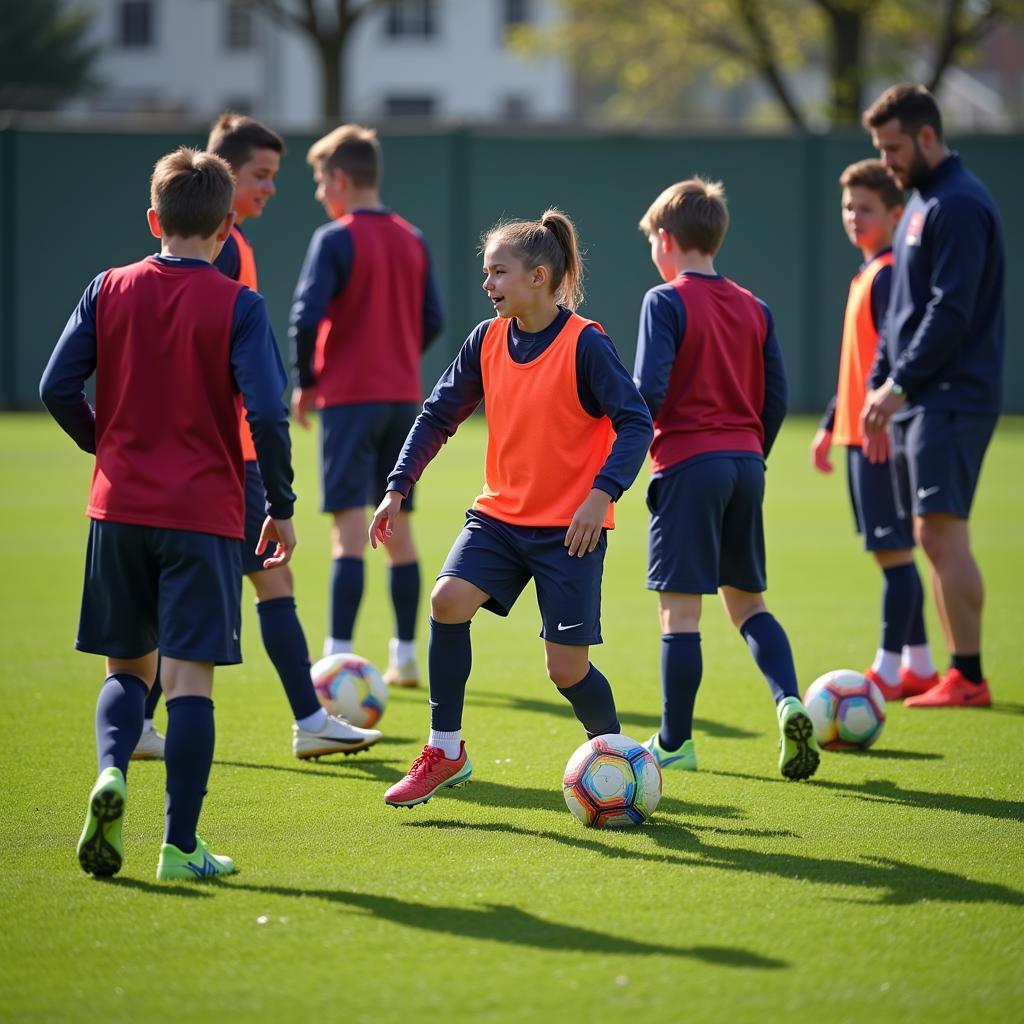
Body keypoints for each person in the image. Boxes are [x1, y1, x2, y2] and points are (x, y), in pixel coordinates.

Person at [40, 147, 296, 880]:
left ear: (154, 219)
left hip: (117, 510)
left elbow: (57, 386)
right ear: (225, 232)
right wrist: (280, 505)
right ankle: (180, 848)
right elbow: (270, 415)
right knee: (189, 682)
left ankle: (113, 769)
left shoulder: (107, 287)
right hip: (205, 514)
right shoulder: (238, 302)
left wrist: (110, 449)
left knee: (128, 669)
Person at [369, 209, 654, 808]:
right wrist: (397, 486)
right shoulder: (488, 338)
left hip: (569, 531)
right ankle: (445, 749)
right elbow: (438, 414)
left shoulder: (586, 343)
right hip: (499, 518)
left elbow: (636, 423)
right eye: (486, 272)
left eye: (498, 272)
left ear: (540, 277)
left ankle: (619, 760)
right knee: (446, 601)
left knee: (566, 670)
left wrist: (600, 495)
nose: (487, 284)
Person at [633, 178, 818, 781]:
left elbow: (651, 391)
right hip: (746, 465)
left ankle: (674, 742)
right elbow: (779, 398)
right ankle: (789, 700)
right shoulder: (755, 307)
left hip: (689, 466)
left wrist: (620, 434)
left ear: (665, 241)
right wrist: (749, 451)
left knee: (679, 615)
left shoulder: (664, 301)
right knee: (748, 603)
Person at [861, 84, 1004, 708]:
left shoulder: (960, 204)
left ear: (925, 136)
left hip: (951, 395)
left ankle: (968, 676)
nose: (887, 161)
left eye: (893, 148)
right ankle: (952, 672)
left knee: (944, 532)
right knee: (930, 532)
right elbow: (901, 313)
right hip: (923, 397)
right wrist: (882, 386)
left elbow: (951, 311)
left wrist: (899, 385)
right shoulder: (920, 202)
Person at [289, 124, 444, 687]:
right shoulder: (414, 237)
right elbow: (433, 319)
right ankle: (404, 656)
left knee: (348, 531)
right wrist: (398, 354)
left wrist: (306, 380)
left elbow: (306, 317)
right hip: (402, 398)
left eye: (317, 181)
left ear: (339, 179)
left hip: (349, 398)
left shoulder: (334, 238)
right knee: (397, 528)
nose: (317, 194)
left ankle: (336, 658)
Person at [810, 159, 938, 700]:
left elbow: (892, 355)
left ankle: (886, 670)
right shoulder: (866, 273)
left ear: (894, 214)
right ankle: (921, 664)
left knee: (893, 552)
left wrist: (879, 418)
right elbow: (860, 364)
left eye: (866, 208)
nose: (854, 217)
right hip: (856, 432)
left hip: (877, 434)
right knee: (891, 549)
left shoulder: (887, 273)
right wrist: (830, 423)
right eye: (848, 207)